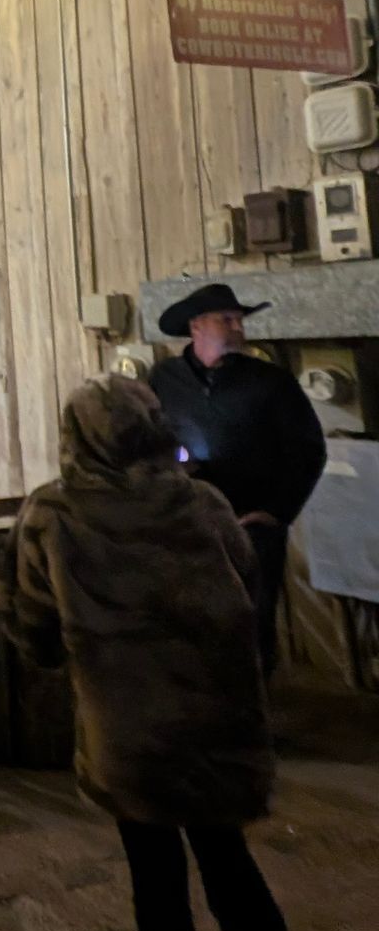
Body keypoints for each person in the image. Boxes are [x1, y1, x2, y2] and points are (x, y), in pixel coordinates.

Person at [0, 373, 330, 931]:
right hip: (218, 726)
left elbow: (31, 629)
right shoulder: (204, 504)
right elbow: (246, 591)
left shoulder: (55, 514)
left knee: (159, 888)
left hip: (135, 737)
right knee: (234, 874)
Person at [147, 281, 325, 680]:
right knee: (194, 621)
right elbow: (154, 439)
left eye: (239, 320)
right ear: (197, 327)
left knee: (252, 624)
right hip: (189, 525)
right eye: (227, 320)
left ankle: (254, 721)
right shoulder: (164, 379)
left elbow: (308, 450)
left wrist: (277, 512)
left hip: (251, 526)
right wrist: (176, 466)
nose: (238, 328)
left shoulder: (270, 382)